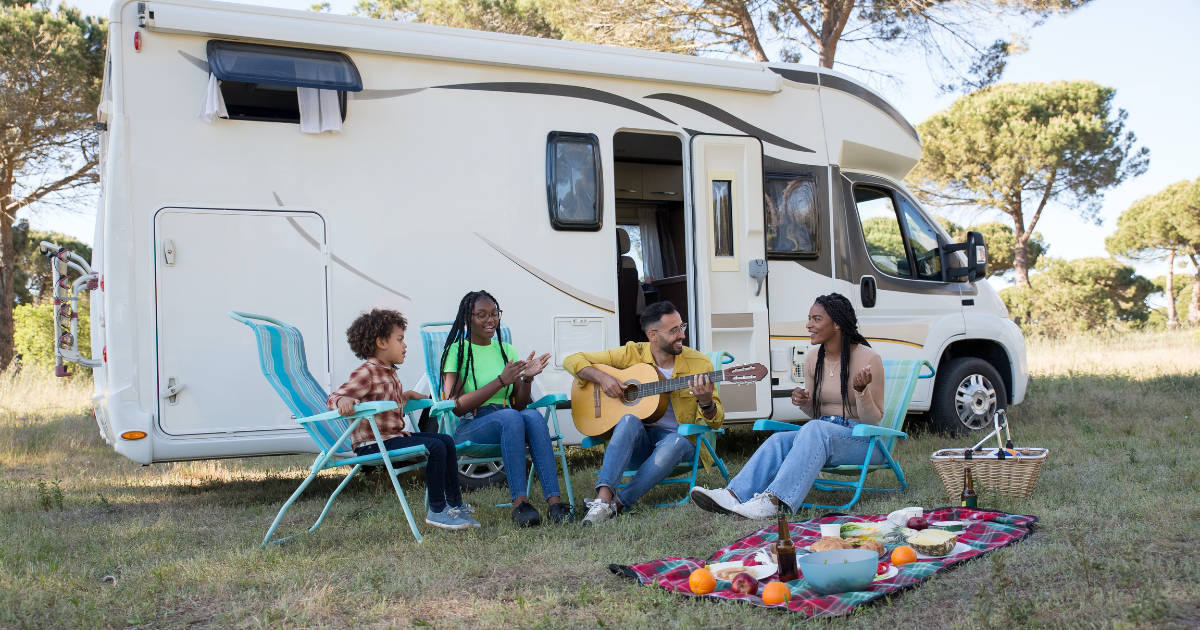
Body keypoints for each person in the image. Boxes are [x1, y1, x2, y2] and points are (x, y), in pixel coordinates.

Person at [690, 293, 885, 519]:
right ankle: (733, 495)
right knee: (778, 440)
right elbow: (817, 416)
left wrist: (861, 391)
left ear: (837, 324)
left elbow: (873, 421)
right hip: (824, 434)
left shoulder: (868, 359)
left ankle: (773, 501)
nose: (808, 325)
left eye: (816, 319)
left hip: (863, 441)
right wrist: (804, 403)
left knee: (815, 429)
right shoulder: (814, 358)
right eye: (809, 318)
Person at [564, 300, 723, 525]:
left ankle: (617, 505)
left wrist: (706, 402)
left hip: (677, 443)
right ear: (653, 335)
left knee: (676, 442)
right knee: (628, 418)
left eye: (682, 327)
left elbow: (716, 422)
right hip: (636, 444)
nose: (682, 335)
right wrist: (603, 378)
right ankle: (602, 500)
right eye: (674, 330)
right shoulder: (632, 353)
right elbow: (571, 360)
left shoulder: (699, 364)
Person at [328, 308, 479, 530]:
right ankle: (437, 510)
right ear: (381, 342)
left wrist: (405, 396)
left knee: (445, 440)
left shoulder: (390, 372)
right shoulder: (367, 371)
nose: (405, 345)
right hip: (373, 444)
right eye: (399, 339)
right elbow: (336, 396)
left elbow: (383, 398)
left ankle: (455, 505)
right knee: (436, 446)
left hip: (392, 437)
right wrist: (343, 401)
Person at [441, 290, 574, 527]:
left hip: (507, 418)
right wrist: (499, 381)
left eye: (494, 314)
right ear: (466, 318)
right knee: (511, 417)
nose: (490, 320)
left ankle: (555, 505)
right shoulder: (457, 351)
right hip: (472, 425)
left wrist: (528, 379)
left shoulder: (506, 351)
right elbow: (457, 407)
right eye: (481, 315)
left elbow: (518, 404)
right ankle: (520, 506)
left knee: (531, 416)